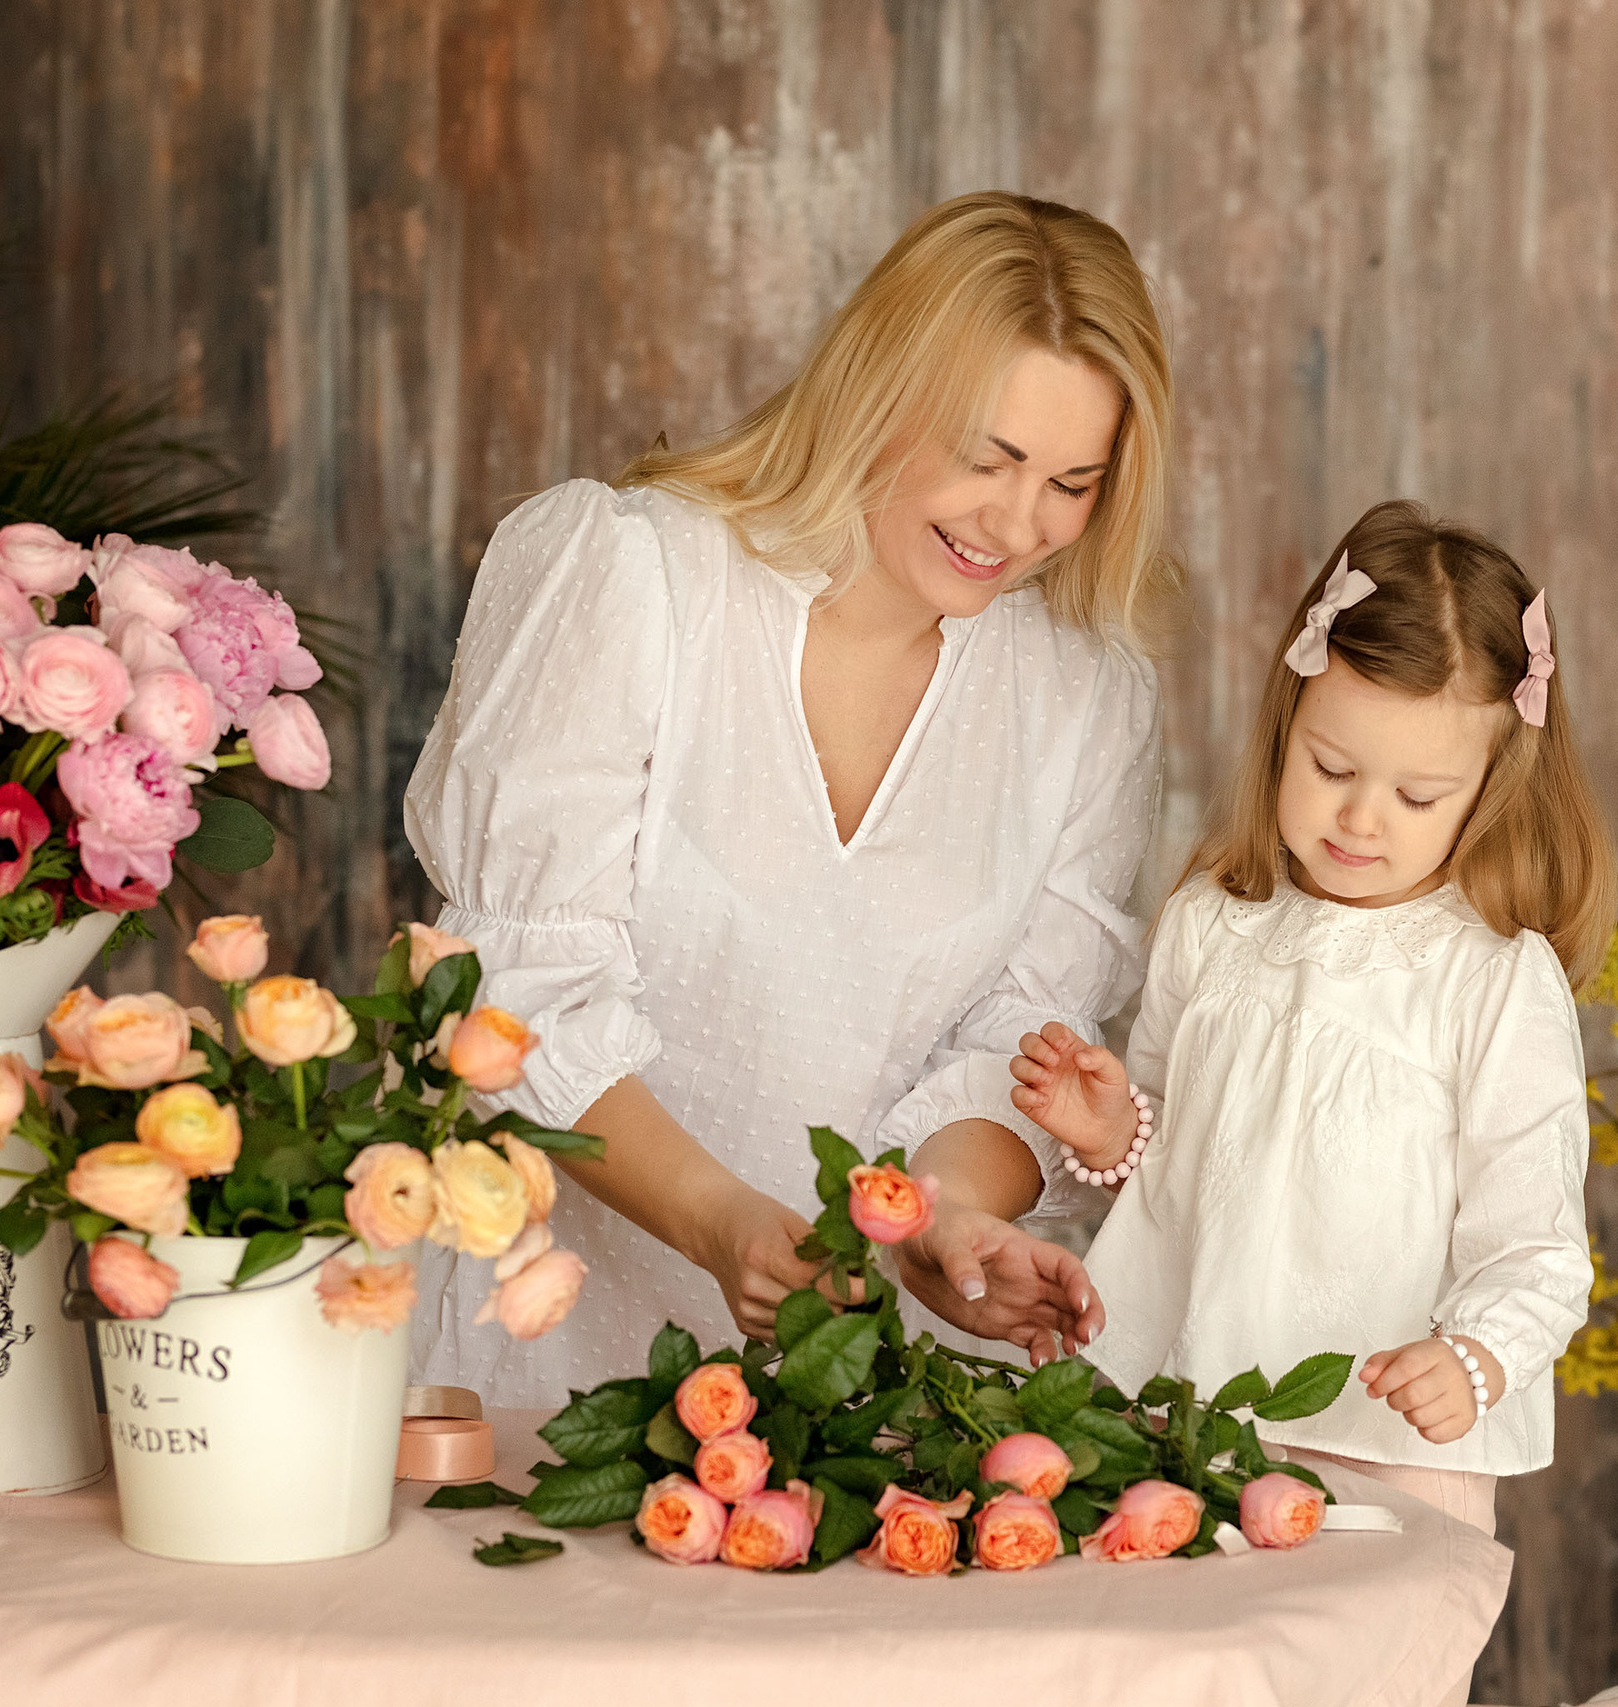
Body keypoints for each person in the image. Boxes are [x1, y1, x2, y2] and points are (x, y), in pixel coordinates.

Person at [402, 191, 1175, 1406]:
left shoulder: (1083, 701)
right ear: (878, 389)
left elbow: (1021, 1050)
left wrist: (946, 1218)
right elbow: (509, 987)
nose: (1018, 525)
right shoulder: (638, 577)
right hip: (532, 1335)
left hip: (851, 1389)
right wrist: (724, 1226)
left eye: (1072, 484)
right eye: (989, 458)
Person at [1010, 502, 1618, 1707]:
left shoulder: (1490, 980)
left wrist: (1474, 1357)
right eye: (1332, 768)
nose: (1361, 819)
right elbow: (1177, 1159)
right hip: (1189, 1409)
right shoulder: (1215, 920)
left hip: (1391, 1445)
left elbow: (1537, 1251)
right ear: (1286, 723)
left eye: (1418, 796)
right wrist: (1110, 1130)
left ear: (1490, 790)